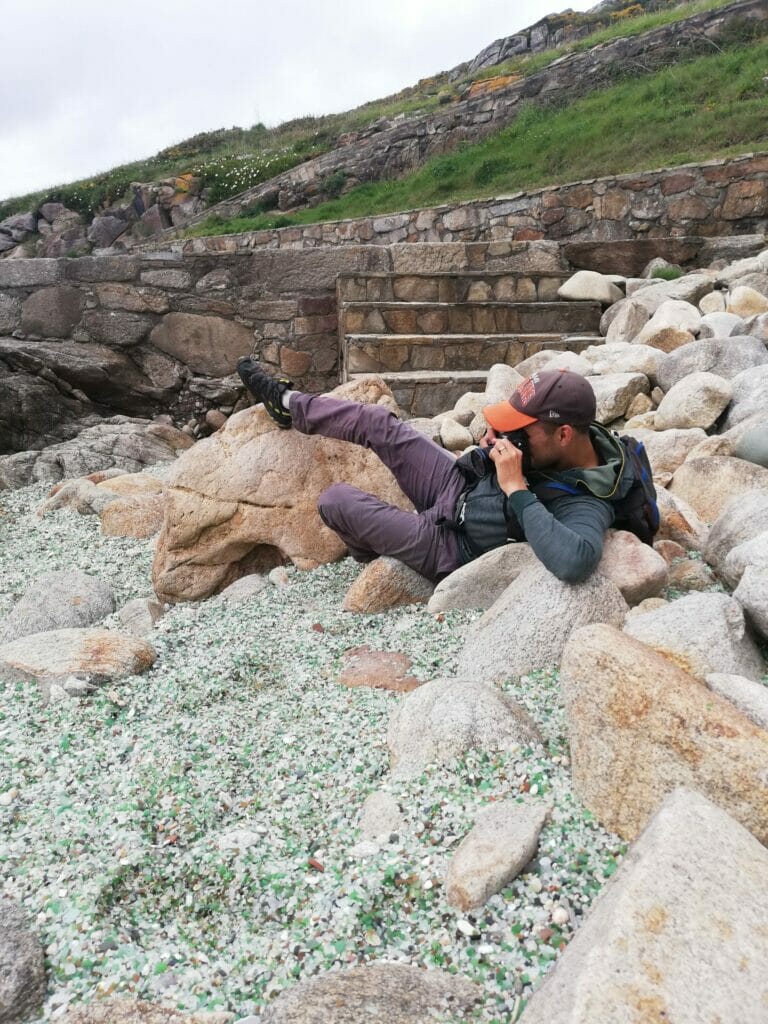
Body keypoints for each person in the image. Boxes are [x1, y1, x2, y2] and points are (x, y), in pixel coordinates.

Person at [236, 358, 640, 584]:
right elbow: (513, 443)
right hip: (457, 483)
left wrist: (517, 487)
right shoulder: (558, 440)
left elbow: (575, 562)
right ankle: (290, 404)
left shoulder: (591, 497)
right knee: (380, 423)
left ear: (565, 434)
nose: (510, 436)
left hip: (450, 545)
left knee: (335, 500)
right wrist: (491, 448)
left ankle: (369, 553)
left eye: (521, 431)